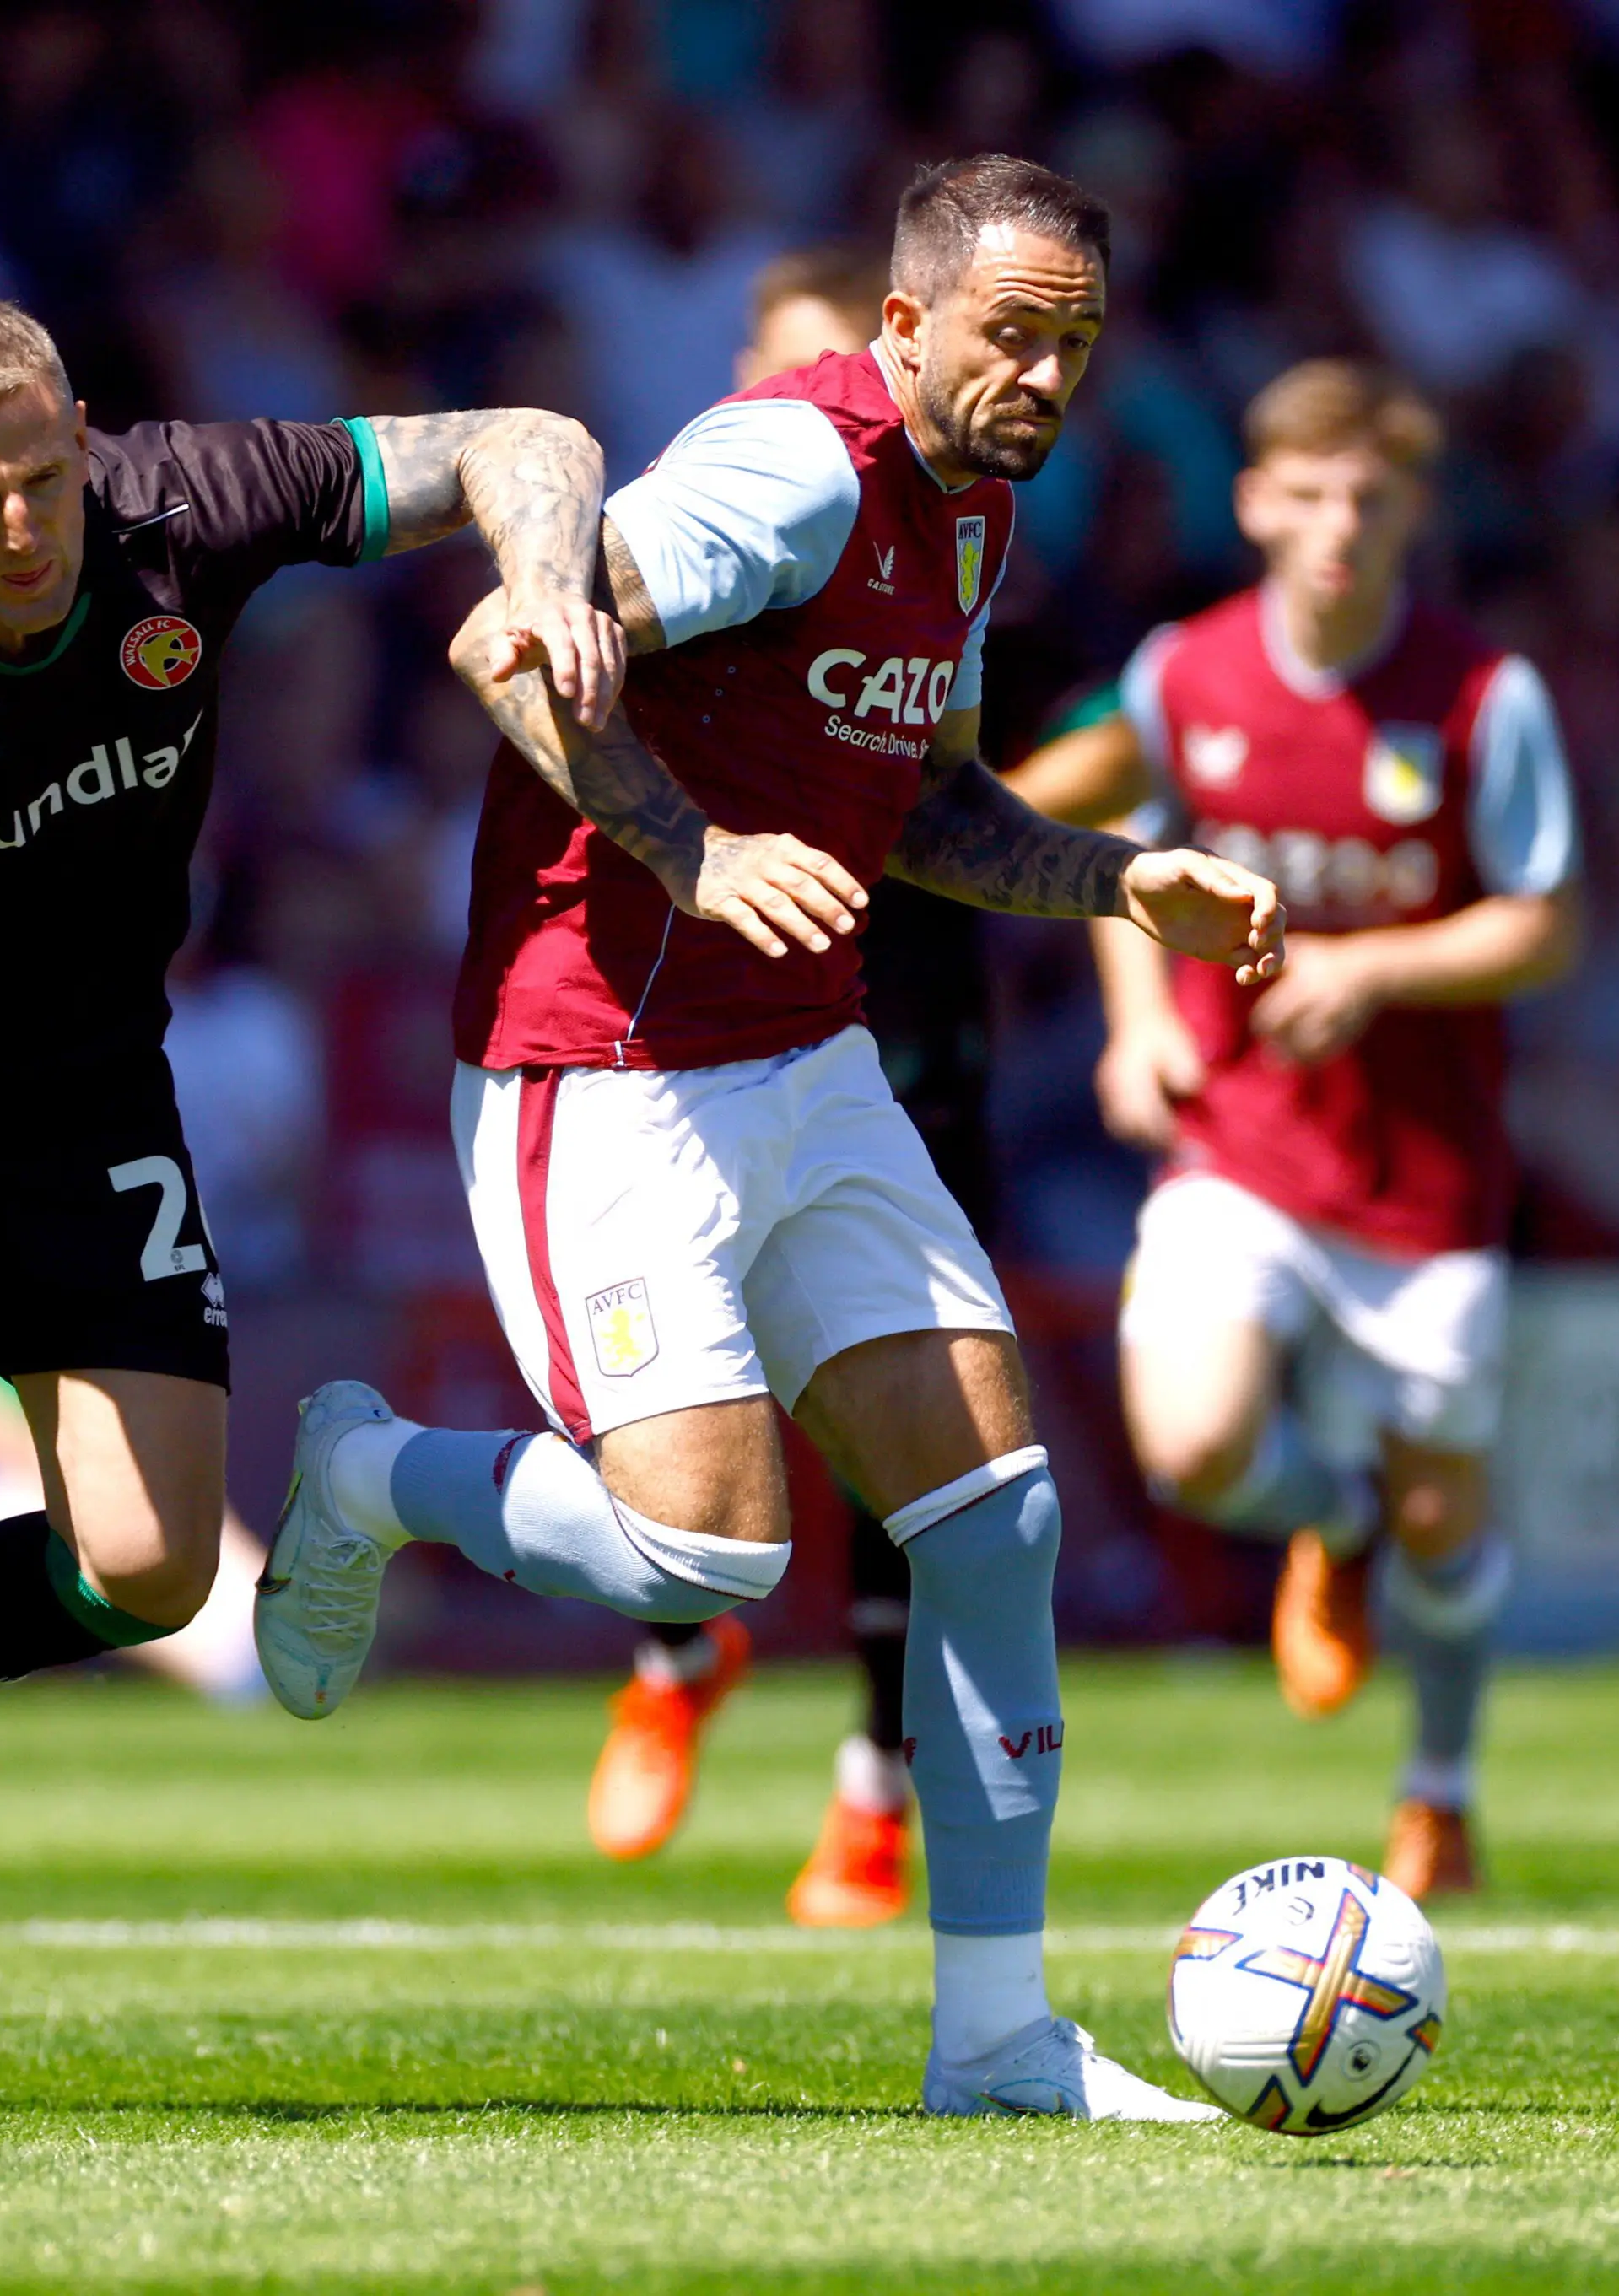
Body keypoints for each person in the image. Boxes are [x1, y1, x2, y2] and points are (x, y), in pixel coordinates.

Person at [256, 157, 1285, 2121]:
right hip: (606, 1063)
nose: (1047, 375)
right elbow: (503, 650)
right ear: (901, 327)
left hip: (805, 1064)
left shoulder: (971, 513)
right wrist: (696, 846)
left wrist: (1120, 879)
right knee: (710, 1550)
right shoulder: (789, 471)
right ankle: (373, 1472)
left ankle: (995, 2039)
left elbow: (935, 808)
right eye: (1011, 334)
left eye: (1075, 343)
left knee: (1001, 1518)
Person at [0, 294, 618, 2113]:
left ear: (86, 432)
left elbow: (530, 436)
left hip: (86, 1079)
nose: (26, 531)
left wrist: (552, 576)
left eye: (45, 480)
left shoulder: (191, 497)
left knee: (152, 1568)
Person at [1007, 358, 1582, 1902]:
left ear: (1413, 514)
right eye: (1311, 495)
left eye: (1373, 499)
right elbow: (1077, 830)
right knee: (1192, 1443)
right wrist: (1135, 1017)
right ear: (1255, 502)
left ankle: (1440, 1788)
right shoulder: (1185, 675)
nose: (1340, 527)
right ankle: (1326, 1521)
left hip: (1424, 1179)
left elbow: (1548, 923)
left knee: (1448, 1519)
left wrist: (1374, 964)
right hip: (1245, 1143)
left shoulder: (1480, 697)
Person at [577, 245, 994, 1933]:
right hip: (676, 994)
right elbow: (540, 648)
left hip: (896, 990)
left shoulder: (951, 519)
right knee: (667, 1344)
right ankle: (680, 1635)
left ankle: (876, 1787)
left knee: (913, 1402)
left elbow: (957, 780)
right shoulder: (728, 499)